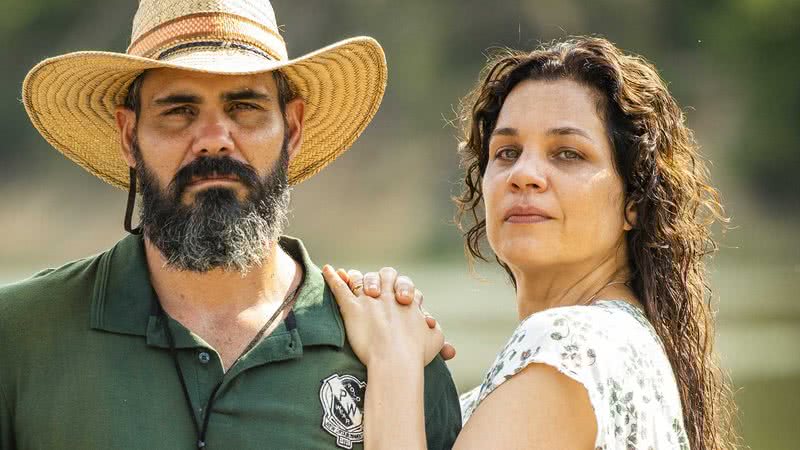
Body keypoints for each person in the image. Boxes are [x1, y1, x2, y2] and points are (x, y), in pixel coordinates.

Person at [0, 1, 462, 448]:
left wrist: (395, 363)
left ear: (293, 129)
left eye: (244, 107)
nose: (215, 141)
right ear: (128, 135)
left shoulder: (394, 351)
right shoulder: (16, 337)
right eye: (179, 111)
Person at [323, 36, 739, 449]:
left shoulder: (570, 349)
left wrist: (392, 357)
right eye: (507, 151)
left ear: (634, 201)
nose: (524, 173)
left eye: (568, 153)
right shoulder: (622, 342)